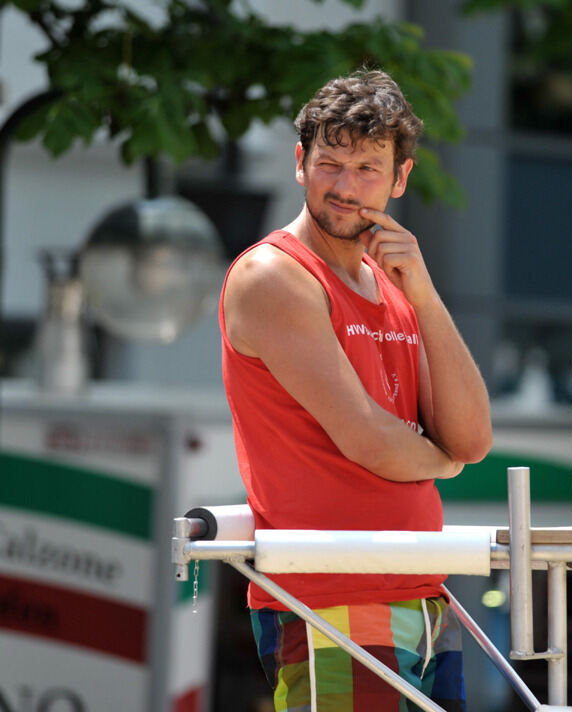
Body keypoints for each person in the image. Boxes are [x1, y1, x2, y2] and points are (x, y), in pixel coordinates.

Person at [219, 68, 492, 712]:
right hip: (328, 599)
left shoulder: (391, 278)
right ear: (299, 162)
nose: (345, 187)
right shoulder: (273, 275)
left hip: (420, 594)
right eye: (330, 163)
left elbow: (473, 435)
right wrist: (441, 459)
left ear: (401, 177)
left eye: (368, 168)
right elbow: (370, 439)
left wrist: (421, 290)